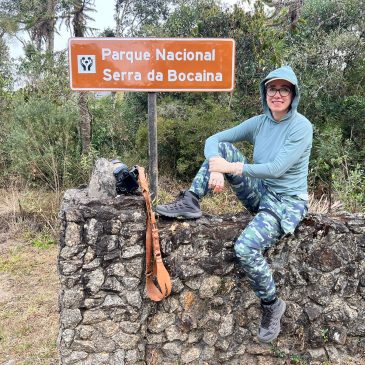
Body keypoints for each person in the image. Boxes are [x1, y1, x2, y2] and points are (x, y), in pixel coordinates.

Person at [155, 65, 313, 343]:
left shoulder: (301, 127)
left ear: (293, 94)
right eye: (272, 89)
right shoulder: (259, 123)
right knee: (222, 150)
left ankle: (271, 304)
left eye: (284, 89)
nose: (277, 94)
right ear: (265, 93)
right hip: (262, 193)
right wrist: (218, 169)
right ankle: (191, 200)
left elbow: (276, 168)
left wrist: (232, 168)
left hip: (286, 203)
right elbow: (214, 139)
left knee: (245, 248)